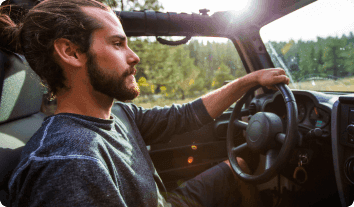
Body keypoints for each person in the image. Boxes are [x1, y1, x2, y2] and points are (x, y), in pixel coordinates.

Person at [0, 0, 290, 206]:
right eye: (117, 43)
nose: (134, 56)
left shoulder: (120, 113)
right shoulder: (71, 165)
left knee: (238, 164)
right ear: (71, 52)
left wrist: (248, 80)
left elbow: (185, 116)